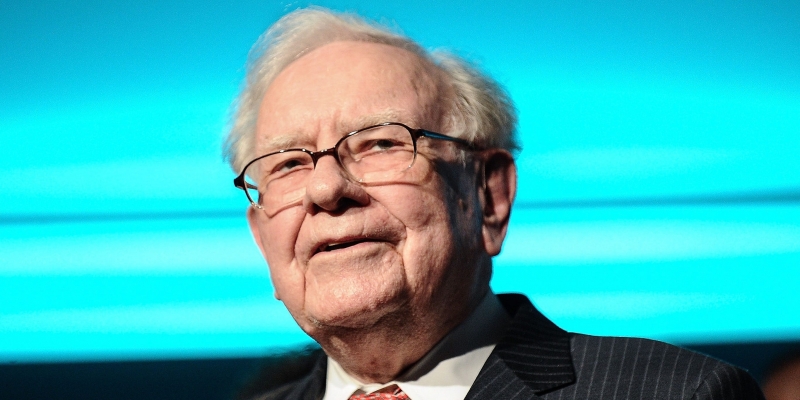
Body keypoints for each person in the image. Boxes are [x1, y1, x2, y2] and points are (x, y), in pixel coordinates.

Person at [224, 7, 765, 400]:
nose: (325, 190)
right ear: (262, 239)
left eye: (380, 143)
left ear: (488, 195)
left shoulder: (679, 392)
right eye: (287, 164)